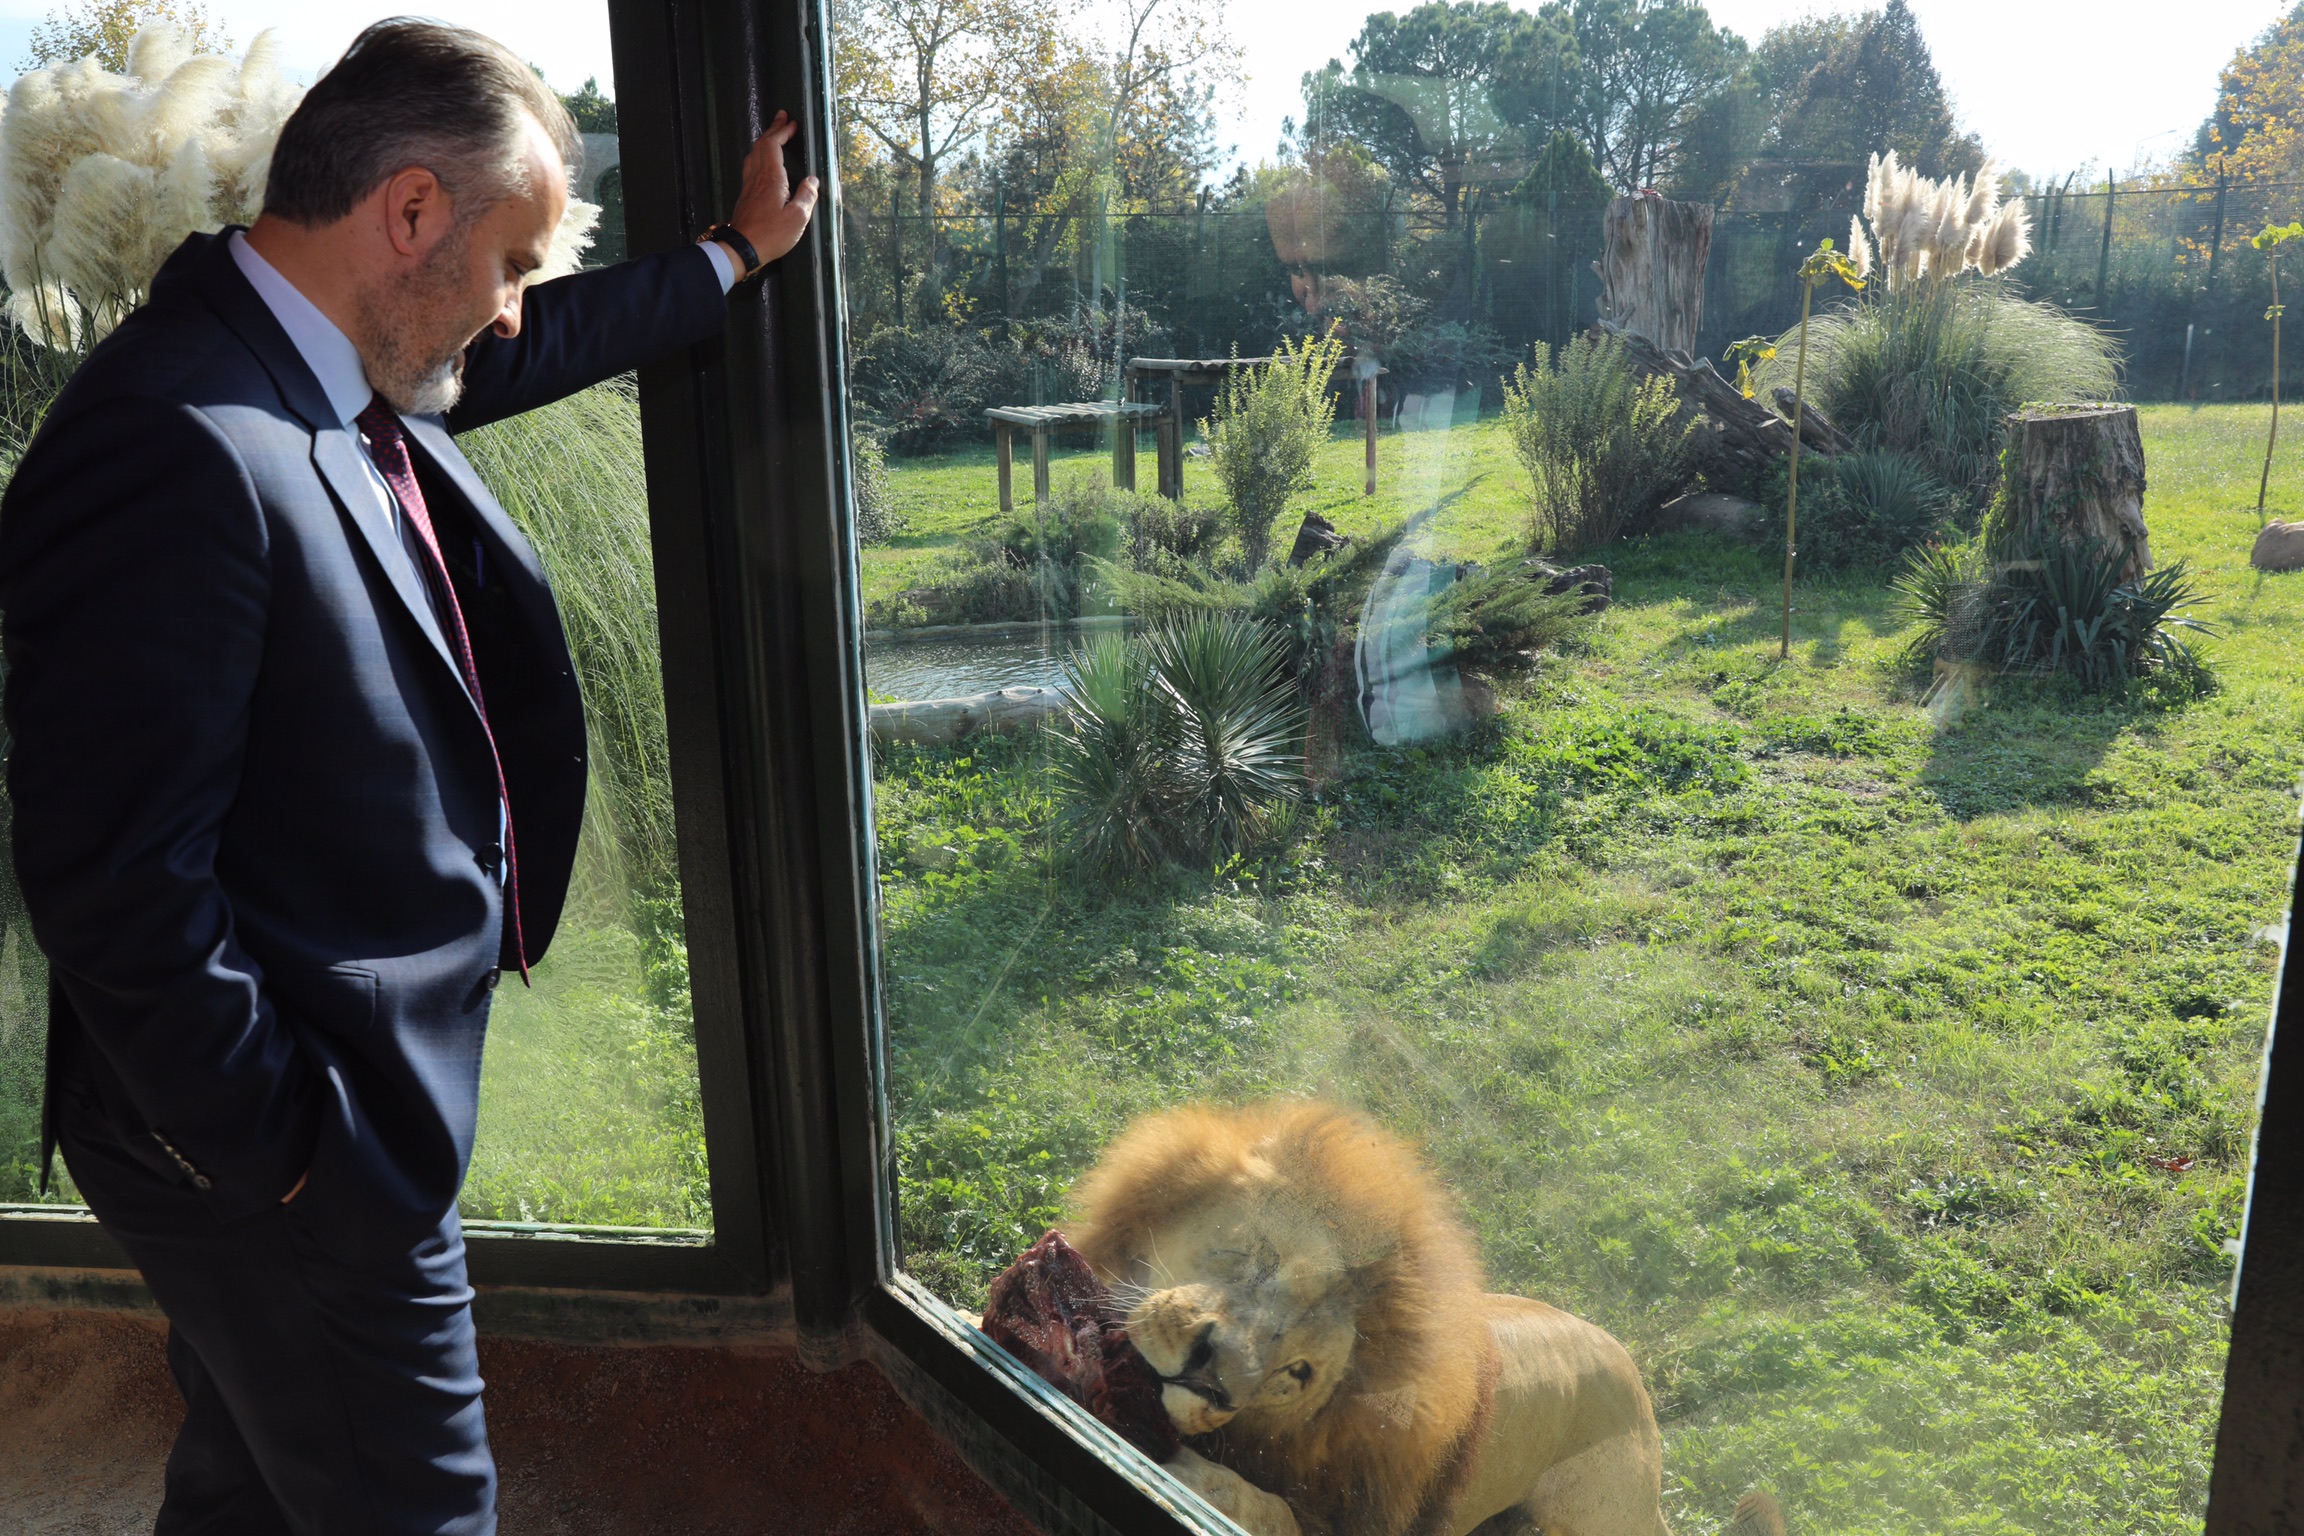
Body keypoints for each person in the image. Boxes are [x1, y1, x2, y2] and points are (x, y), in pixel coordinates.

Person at [0, 19, 817, 1534]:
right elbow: (113, 885)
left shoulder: (322, 364)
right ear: (413, 212)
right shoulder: (171, 437)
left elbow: (539, 344)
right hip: (290, 1147)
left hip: (300, 1122)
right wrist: (301, 1161)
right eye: (510, 265)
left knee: (257, 1480)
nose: (512, 311)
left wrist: (733, 255)